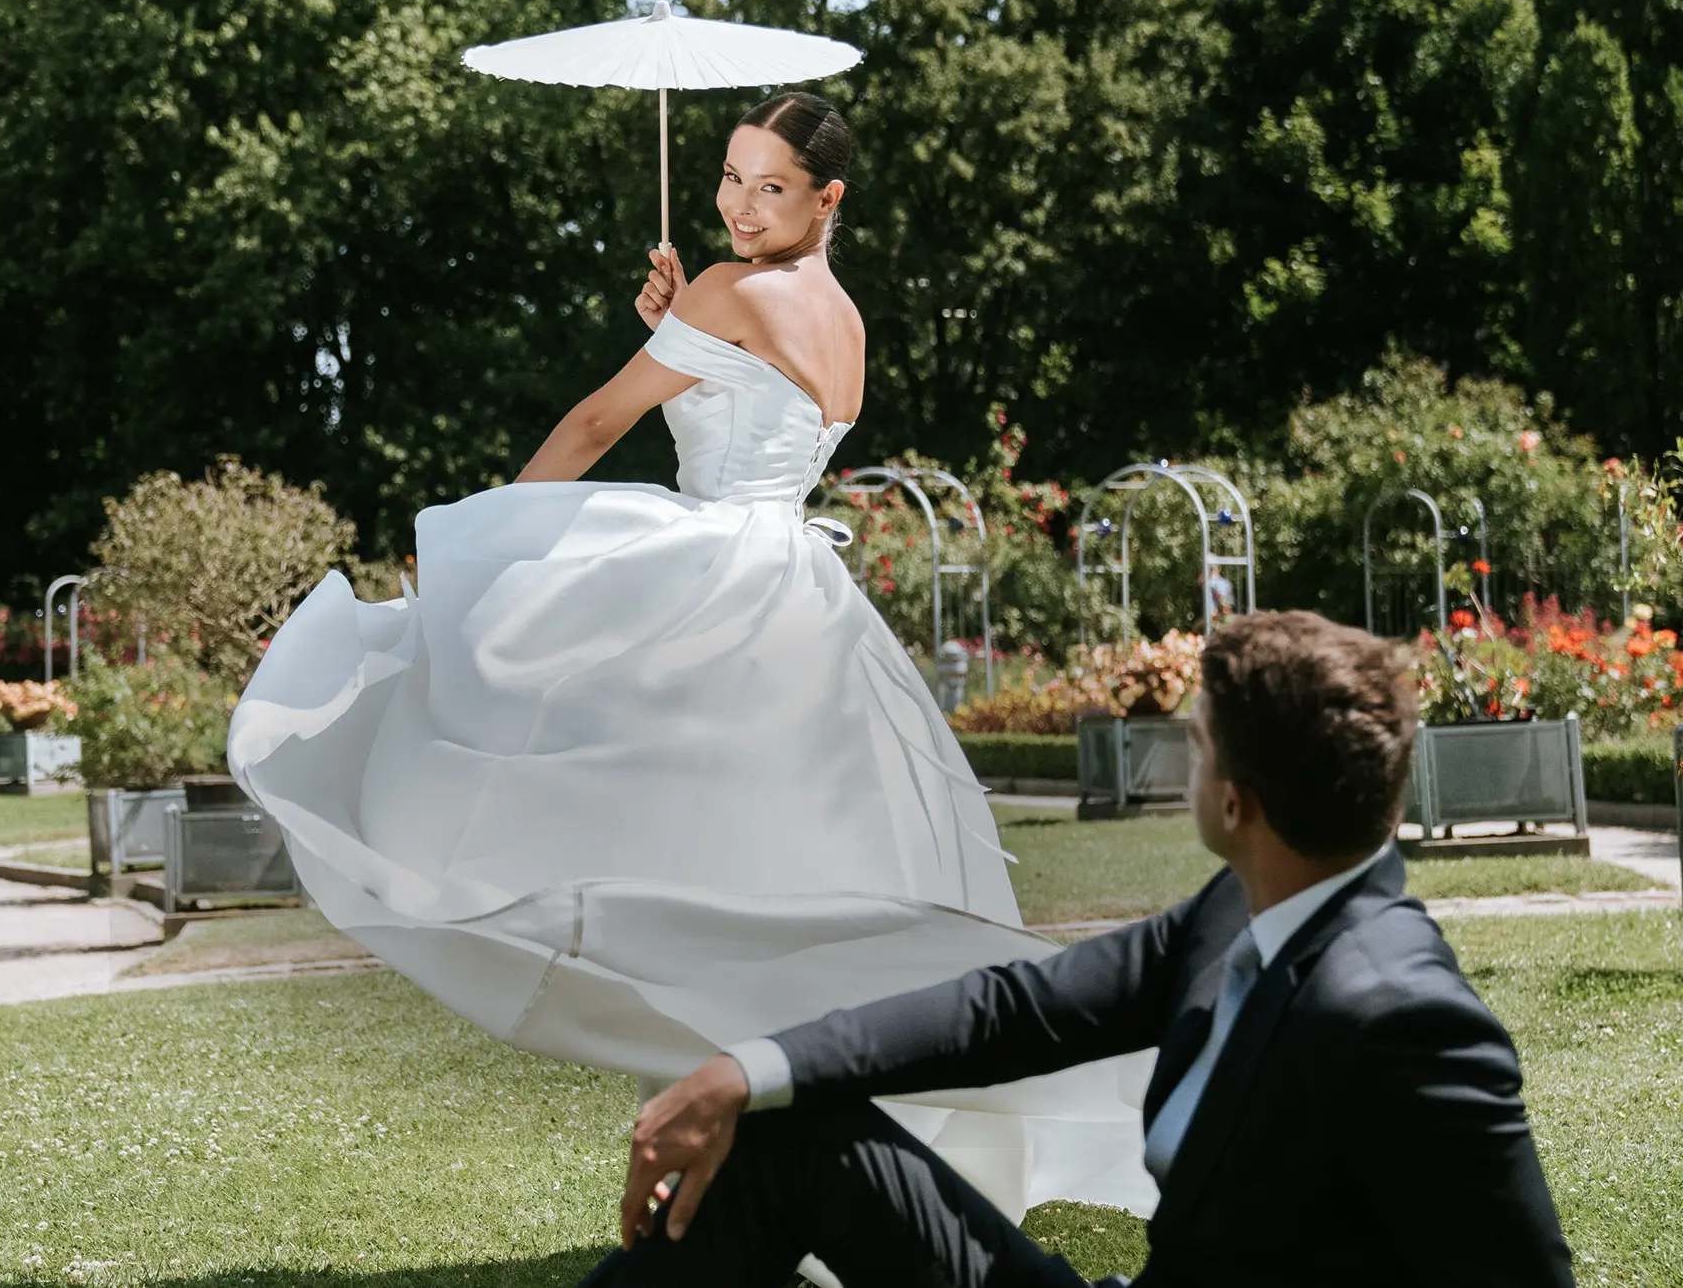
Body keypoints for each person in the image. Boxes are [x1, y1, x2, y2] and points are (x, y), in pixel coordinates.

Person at [228, 92, 1154, 1227]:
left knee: (632, 828)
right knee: (775, 871)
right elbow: (757, 396)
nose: (739, 204)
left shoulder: (726, 292)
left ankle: (721, 1165)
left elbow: (592, 427)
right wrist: (685, 328)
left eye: (771, 187)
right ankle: (787, 1159)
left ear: (828, 198)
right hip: (802, 602)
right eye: (728, 176)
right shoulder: (847, 319)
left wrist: (480, 558)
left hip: (712, 572)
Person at [583, 609, 1576, 1288]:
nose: (1185, 759)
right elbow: (1014, 1012)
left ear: (1234, 801)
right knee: (784, 1136)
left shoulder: (1403, 1021)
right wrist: (742, 1071)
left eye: (1194, 743)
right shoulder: (1238, 913)